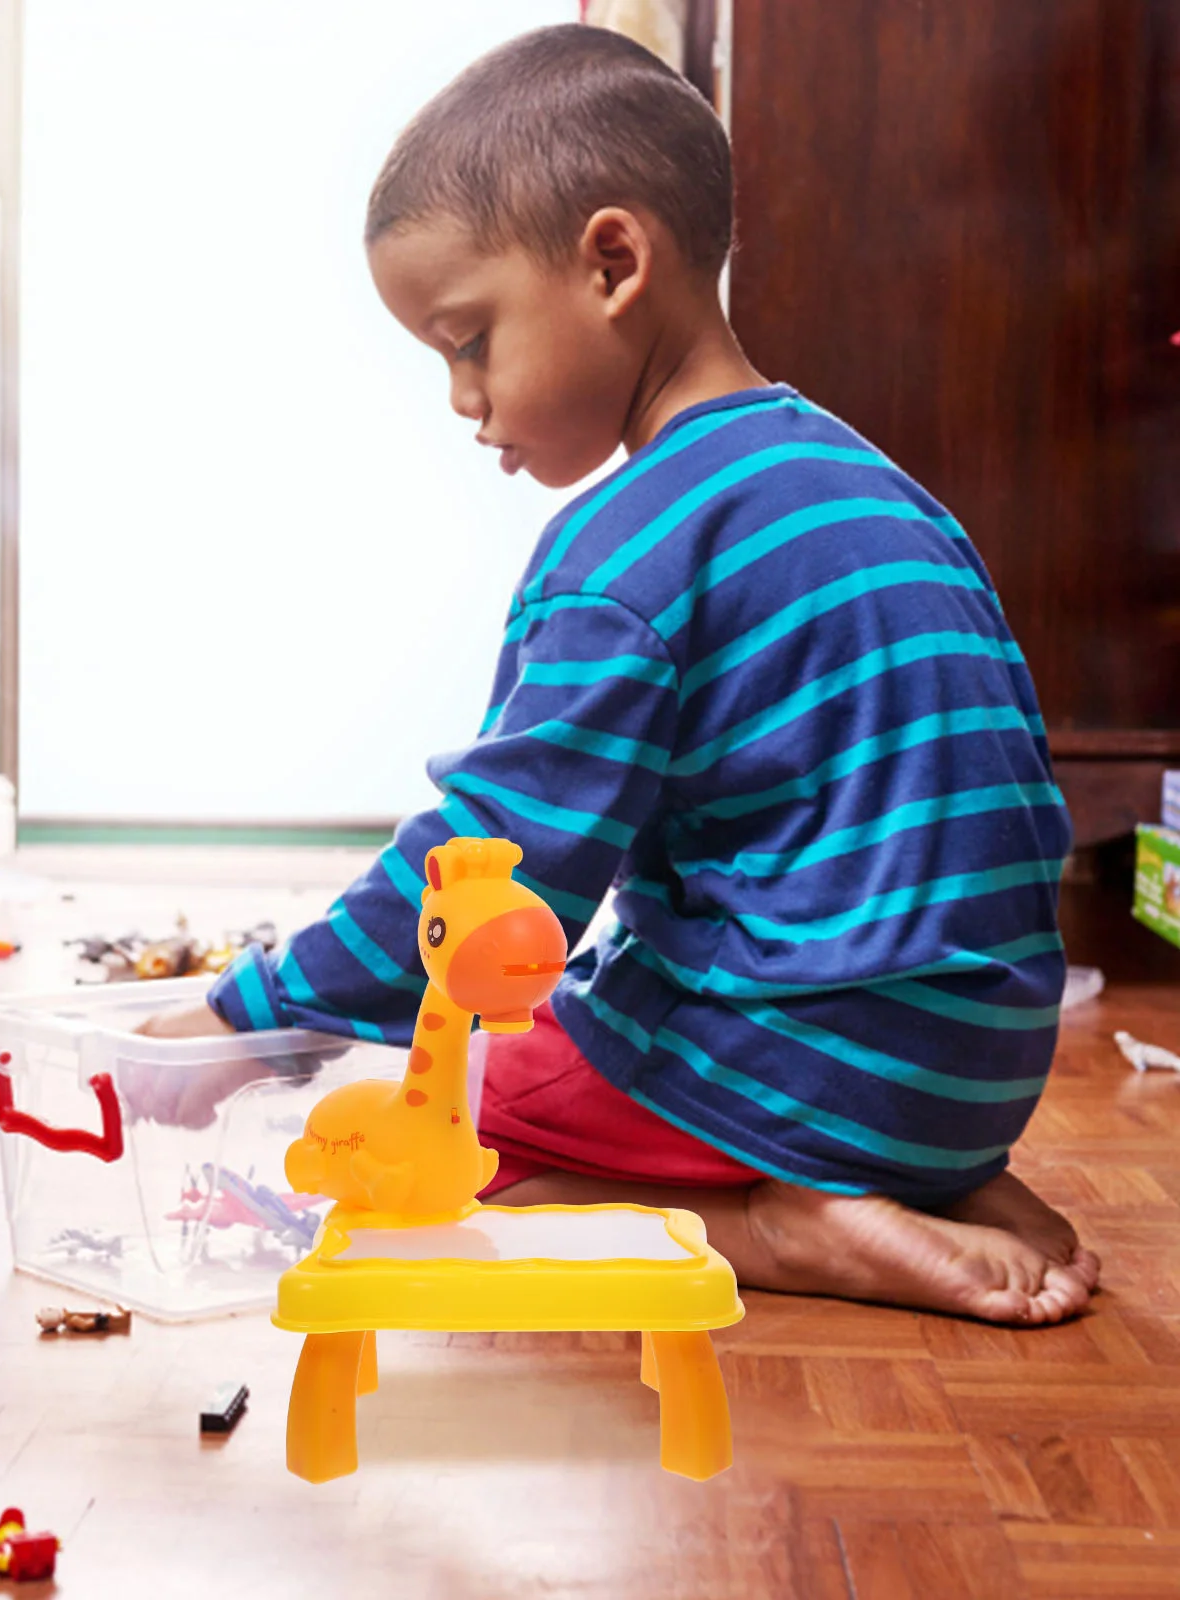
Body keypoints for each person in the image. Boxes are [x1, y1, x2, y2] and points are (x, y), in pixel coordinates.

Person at [144, 24, 1096, 1326]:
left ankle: (780, 1225)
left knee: (423, 1133)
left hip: (799, 1076)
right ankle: (933, 1184)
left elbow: (493, 875)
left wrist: (249, 1026)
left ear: (611, 264)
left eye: (468, 340)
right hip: (974, 1069)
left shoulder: (625, 550)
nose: (461, 399)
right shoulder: (881, 488)